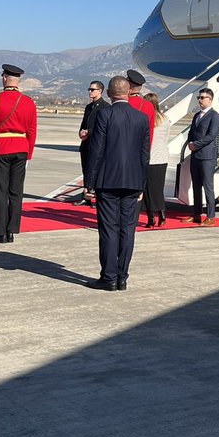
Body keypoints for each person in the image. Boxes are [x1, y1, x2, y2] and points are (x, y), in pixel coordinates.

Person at [83, 76, 149, 291]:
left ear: (109, 94)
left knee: (108, 229)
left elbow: (97, 149)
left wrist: (90, 182)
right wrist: (141, 184)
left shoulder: (105, 113)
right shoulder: (141, 118)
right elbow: (144, 154)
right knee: (127, 229)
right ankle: (122, 277)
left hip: (108, 180)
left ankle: (109, 276)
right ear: (129, 92)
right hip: (132, 181)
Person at [0, 64, 37, 243]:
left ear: (4, 78)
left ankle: (0, 232)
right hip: (21, 148)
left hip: (0, 148)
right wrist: (28, 153)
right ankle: (12, 229)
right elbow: (32, 131)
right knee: (16, 191)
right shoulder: (28, 102)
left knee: (0, 191)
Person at [187, 87, 219, 225]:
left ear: (210, 99)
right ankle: (196, 214)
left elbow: (211, 136)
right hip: (195, 155)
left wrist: (196, 144)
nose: (200, 100)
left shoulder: (214, 116)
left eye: (202, 98)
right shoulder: (197, 115)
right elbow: (191, 132)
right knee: (196, 186)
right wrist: (190, 142)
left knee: (208, 186)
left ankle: (210, 216)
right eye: (198, 98)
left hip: (207, 156)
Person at [142, 92, 171, 228]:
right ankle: (162, 213)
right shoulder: (165, 119)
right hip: (162, 157)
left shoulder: (146, 118)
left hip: (150, 157)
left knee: (147, 189)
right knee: (159, 188)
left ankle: (150, 218)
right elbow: (166, 138)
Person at [79, 80, 106, 201]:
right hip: (86, 143)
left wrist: (88, 131)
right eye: (89, 89)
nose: (90, 92)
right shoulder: (89, 107)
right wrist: (81, 132)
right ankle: (86, 195)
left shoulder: (105, 107)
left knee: (95, 170)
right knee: (85, 169)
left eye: (92, 90)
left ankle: (95, 195)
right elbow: (84, 123)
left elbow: (102, 127)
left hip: (97, 145)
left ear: (100, 91)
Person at [125, 68, 155, 147]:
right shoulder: (149, 106)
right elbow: (150, 133)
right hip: (139, 149)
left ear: (129, 87)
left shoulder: (122, 104)